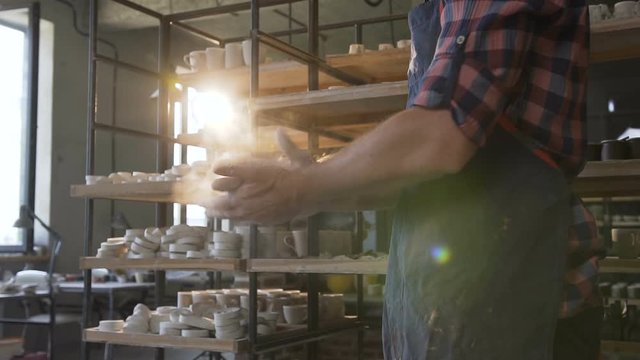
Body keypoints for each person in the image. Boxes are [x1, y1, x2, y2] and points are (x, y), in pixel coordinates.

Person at [207, 0, 604, 358]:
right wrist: (308, 190)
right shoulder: (441, 12)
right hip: (440, 299)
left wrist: (302, 186)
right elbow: (418, 172)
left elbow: (442, 135)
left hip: (514, 295)